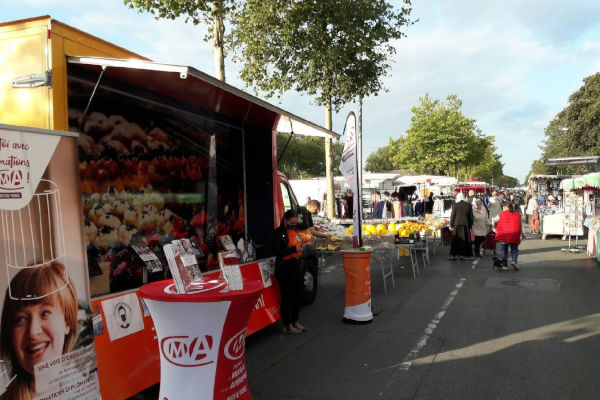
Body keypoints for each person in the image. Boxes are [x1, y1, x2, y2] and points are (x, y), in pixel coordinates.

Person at [1, 262, 78, 399]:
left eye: (45, 313)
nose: (32, 332)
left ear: (67, 322)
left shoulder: (82, 386)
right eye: (20, 319)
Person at [272, 209, 305, 335]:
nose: (293, 226)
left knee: (297, 295)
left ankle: (295, 320)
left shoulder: (295, 231)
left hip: (296, 264)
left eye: (295, 223)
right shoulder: (278, 233)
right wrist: (293, 249)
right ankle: (287, 325)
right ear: (285, 220)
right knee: (287, 297)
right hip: (285, 267)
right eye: (291, 223)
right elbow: (277, 250)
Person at [493, 202, 525, 271]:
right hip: (515, 234)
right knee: (514, 249)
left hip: (504, 234)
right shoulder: (517, 215)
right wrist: (523, 234)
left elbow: (494, 221)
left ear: (505, 207)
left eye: (503, 207)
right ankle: (514, 261)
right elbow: (521, 225)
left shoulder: (501, 214)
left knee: (504, 250)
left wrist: (495, 229)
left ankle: (505, 265)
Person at [449, 193, 474, 261]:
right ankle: (462, 255)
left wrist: (450, 225)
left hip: (456, 224)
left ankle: (454, 255)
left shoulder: (455, 205)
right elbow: (471, 217)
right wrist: (470, 225)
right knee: (465, 240)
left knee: (456, 239)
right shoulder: (469, 205)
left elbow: (453, 215)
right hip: (466, 225)